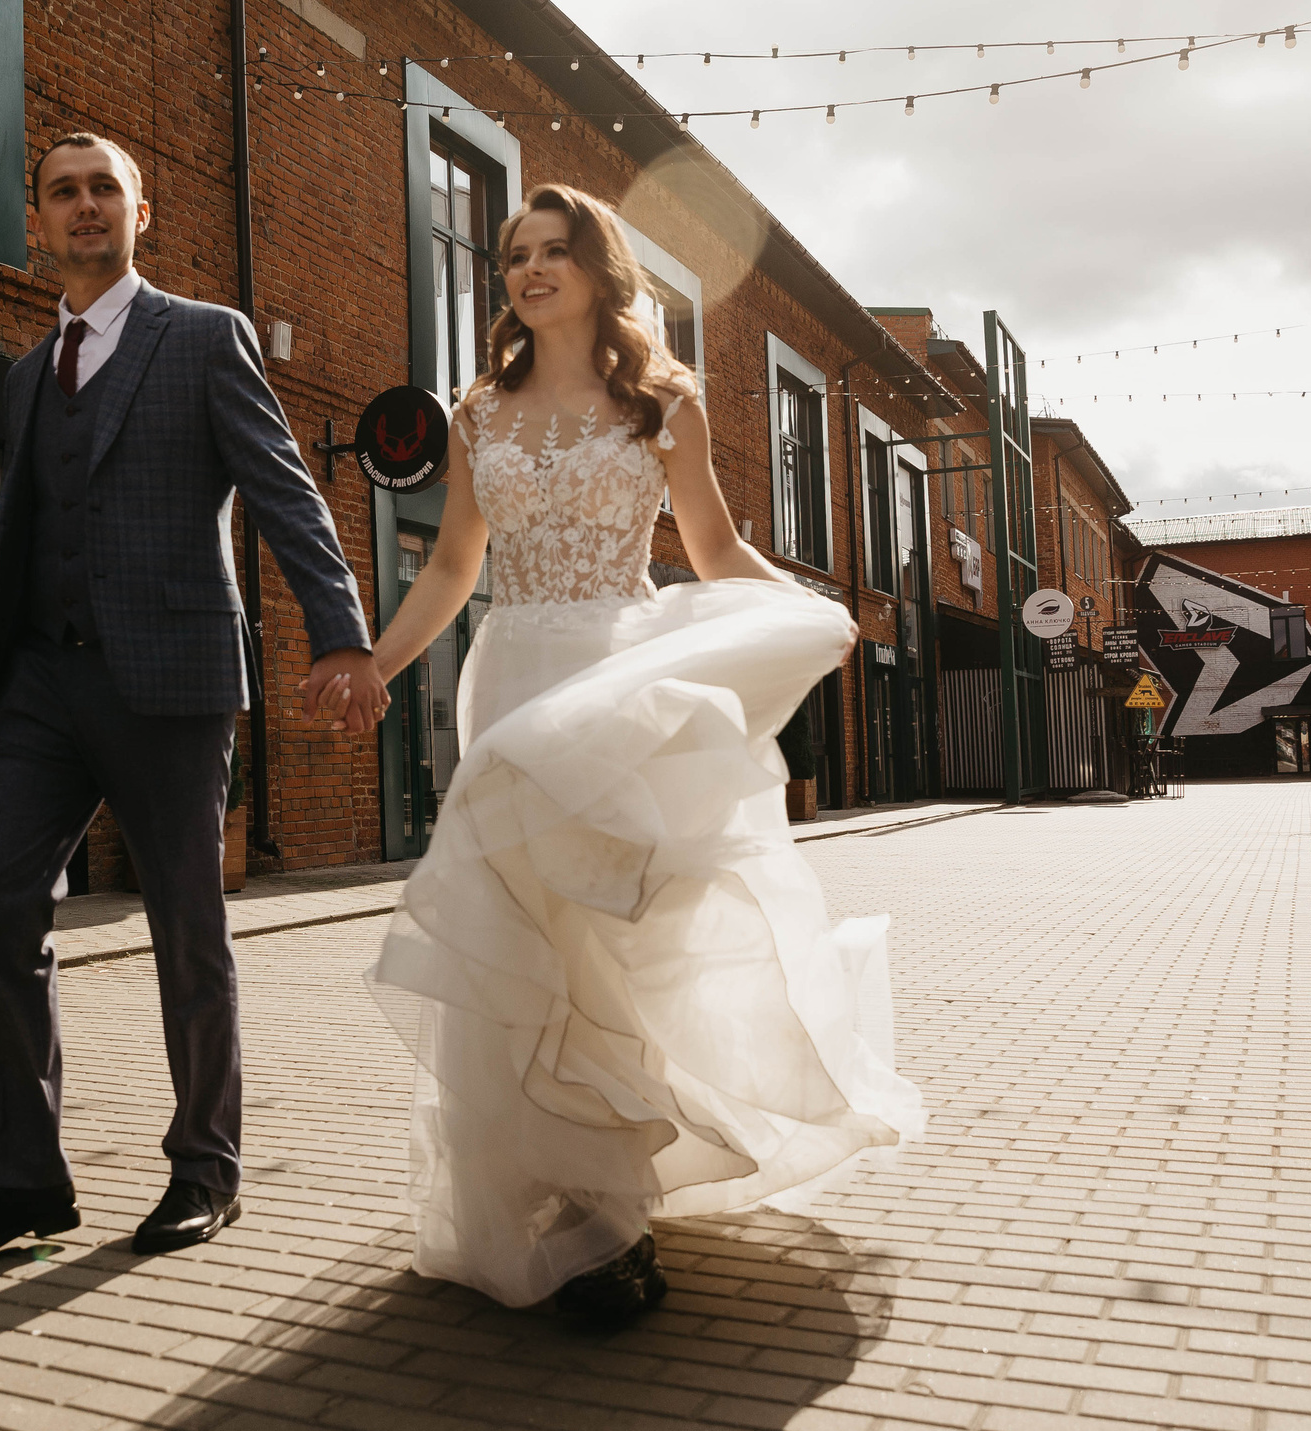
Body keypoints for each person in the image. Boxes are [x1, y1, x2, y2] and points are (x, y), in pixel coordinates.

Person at [361, 185, 924, 1321]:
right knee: (524, 945)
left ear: (596, 269)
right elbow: (452, 568)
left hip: (620, 683)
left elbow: (711, 547)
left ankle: (616, 1214)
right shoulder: (475, 415)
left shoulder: (662, 404)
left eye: (553, 252)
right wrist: (373, 667)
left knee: (620, 947)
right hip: (511, 682)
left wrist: (811, 613)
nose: (528, 271)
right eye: (513, 255)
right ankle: (555, 1200)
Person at [0, 133, 386, 1264]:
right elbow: (18, 541)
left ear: (141, 211)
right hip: (40, 683)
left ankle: (204, 1167)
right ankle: (24, 1180)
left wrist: (342, 635)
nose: (83, 207)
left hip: (169, 682)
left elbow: (284, 495)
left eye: (103, 190)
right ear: (36, 220)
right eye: (62, 192)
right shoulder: (28, 373)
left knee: (187, 922)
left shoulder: (202, 338)